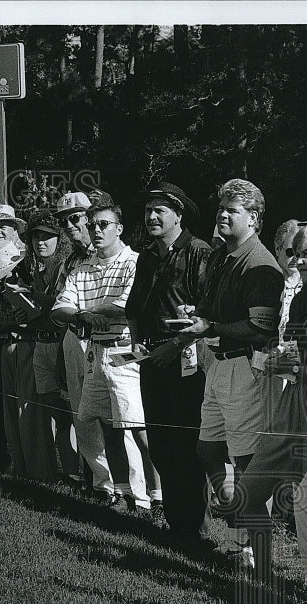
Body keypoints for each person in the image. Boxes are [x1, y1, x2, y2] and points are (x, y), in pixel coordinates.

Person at [180, 179, 283, 534]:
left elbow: (261, 329)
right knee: (208, 450)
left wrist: (210, 326)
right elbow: (219, 310)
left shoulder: (260, 264)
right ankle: (232, 516)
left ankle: (253, 546)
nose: (222, 214)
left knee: (246, 461)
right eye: (221, 208)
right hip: (218, 362)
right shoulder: (223, 254)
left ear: (254, 218)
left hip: (246, 367)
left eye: (232, 210)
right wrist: (199, 314)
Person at [235, 218, 307, 604]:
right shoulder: (304, 299)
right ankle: (265, 576)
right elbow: (301, 352)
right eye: (295, 252)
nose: (299, 260)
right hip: (291, 407)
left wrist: (295, 367)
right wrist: (284, 358)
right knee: (249, 494)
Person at [52, 203, 160, 512]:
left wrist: (87, 311)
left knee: (138, 427)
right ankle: (121, 493)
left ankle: (157, 497)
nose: (96, 231)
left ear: (119, 228)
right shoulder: (82, 268)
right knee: (107, 424)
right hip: (95, 352)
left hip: (126, 350)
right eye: (92, 226)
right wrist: (83, 313)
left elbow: (127, 307)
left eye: (103, 225)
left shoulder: (134, 262)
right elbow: (59, 309)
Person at [126, 182, 215, 547]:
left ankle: (194, 529)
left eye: (160, 210)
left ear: (179, 215)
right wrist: (136, 341)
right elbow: (135, 307)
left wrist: (177, 345)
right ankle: (177, 524)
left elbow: (207, 312)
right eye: (148, 210)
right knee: (161, 443)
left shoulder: (198, 252)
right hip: (152, 358)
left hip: (186, 358)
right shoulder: (148, 255)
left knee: (186, 444)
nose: (151, 216)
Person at [0, 204, 57, 481]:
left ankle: (42, 474)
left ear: (16, 228)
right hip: (3, 342)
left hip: (29, 339)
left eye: (4, 226)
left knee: (31, 412)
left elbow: (46, 300)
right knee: (11, 411)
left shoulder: (30, 258)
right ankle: (22, 471)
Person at [52, 192, 114, 500]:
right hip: (74, 338)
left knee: (113, 415)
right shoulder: (70, 261)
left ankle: (127, 487)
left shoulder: (109, 251)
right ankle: (100, 484)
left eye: (75, 217)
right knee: (82, 414)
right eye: (64, 221)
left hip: (105, 339)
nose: (69, 225)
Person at [24, 209, 80, 484]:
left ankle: (80, 475)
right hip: (40, 343)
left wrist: (33, 298)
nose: (40, 243)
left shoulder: (65, 266)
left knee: (71, 413)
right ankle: (67, 473)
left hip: (61, 343)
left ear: (60, 240)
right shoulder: (38, 269)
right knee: (54, 414)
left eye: (47, 237)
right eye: (35, 237)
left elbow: (62, 308)